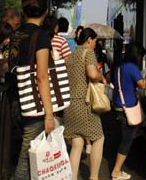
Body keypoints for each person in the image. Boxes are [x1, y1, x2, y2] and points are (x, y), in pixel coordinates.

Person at [7, 0, 55, 179]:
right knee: (27, 159)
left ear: (22, 11)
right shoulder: (41, 36)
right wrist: (49, 115)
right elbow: (42, 76)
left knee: (27, 152)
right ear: (45, 12)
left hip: (15, 100)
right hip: (33, 106)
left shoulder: (16, 33)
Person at [63, 27, 106, 180]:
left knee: (76, 144)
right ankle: (94, 177)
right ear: (89, 40)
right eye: (95, 41)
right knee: (99, 138)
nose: (95, 44)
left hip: (70, 105)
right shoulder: (88, 53)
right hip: (84, 104)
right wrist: (102, 77)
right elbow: (92, 74)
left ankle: (72, 177)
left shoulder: (71, 55)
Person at [110, 43, 146, 180]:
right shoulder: (132, 67)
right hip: (127, 109)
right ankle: (116, 171)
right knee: (126, 142)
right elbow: (142, 85)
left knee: (130, 132)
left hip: (119, 106)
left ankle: (137, 132)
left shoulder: (120, 66)